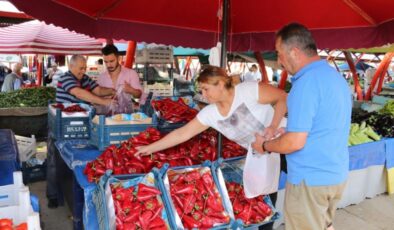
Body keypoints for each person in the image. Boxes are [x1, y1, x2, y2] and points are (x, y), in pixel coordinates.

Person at [136, 65, 287, 230]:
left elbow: (282, 97)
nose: (203, 94)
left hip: (287, 141)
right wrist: (150, 148)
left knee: (298, 190)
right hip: (262, 153)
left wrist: (272, 126)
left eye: (206, 89)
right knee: (265, 198)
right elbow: (182, 133)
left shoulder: (248, 91)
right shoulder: (210, 113)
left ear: (221, 84)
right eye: (202, 90)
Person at [252, 23, 352, 230]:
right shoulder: (333, 77)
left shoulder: (305, 84)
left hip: (310, 181)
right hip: (336, 175)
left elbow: (294, 143)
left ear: (295, 52)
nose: (279, 61)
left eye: (279, 54)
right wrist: (287, 132)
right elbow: (325, 125)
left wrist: (264, 146)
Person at [47, 54, 114, 209]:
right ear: (71, 66)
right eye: (81, 68)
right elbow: (79, 93)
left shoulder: (84, 78)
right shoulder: (66, 78)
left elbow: (97, 90)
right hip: (62, 124)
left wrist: (112, 91)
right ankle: (53, 196)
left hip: (79, 122)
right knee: (53, 161)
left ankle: (72, 190)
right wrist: (105, 102)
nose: (83, 71)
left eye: (85, 68)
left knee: (75, 159)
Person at [97, 44, 143, 114]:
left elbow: (139, 95)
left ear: (118, 58)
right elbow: (97, 96)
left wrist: (131, 90)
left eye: (112, 61)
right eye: (106, 62)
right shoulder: (101, 77)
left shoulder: (131, 73)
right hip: (106, 119)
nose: (109, 65)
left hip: (126, 118)